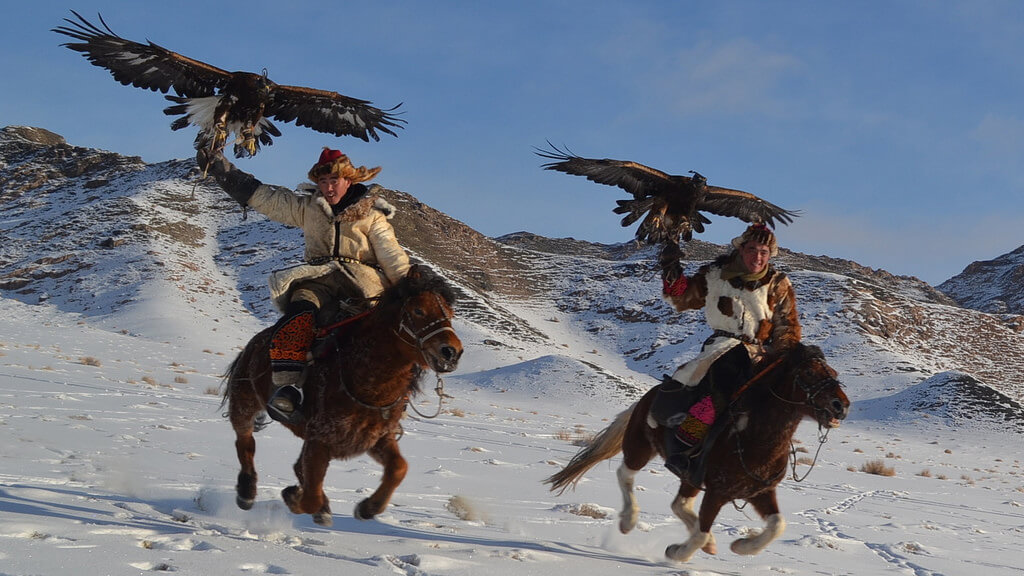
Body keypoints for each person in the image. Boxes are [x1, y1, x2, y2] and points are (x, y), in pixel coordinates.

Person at [199, 147, 411, 424]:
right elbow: (269, 200)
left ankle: (397, 393)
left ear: (349, 180)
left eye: (333, 181)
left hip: (361, 284)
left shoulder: (372, 215)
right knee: (296, 316)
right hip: (318, 279)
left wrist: (407, 287)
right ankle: (287, 387)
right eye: (322, 182)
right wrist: (222, 171)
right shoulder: (308, 208)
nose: (328, 187)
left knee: (384, 332)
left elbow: (391, 254)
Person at [656, 223, 801, 481]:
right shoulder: (715, 275)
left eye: (764, 251)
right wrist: (671, 271)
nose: (758, 256)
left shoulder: (779, 283)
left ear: (771, 254)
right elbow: (683, 298)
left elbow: (788, 326)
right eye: (752, 249)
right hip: (723, 348)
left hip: (761, 351)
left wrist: (783, 355)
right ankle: (684, 449)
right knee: (720, 388)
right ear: (741, 249)